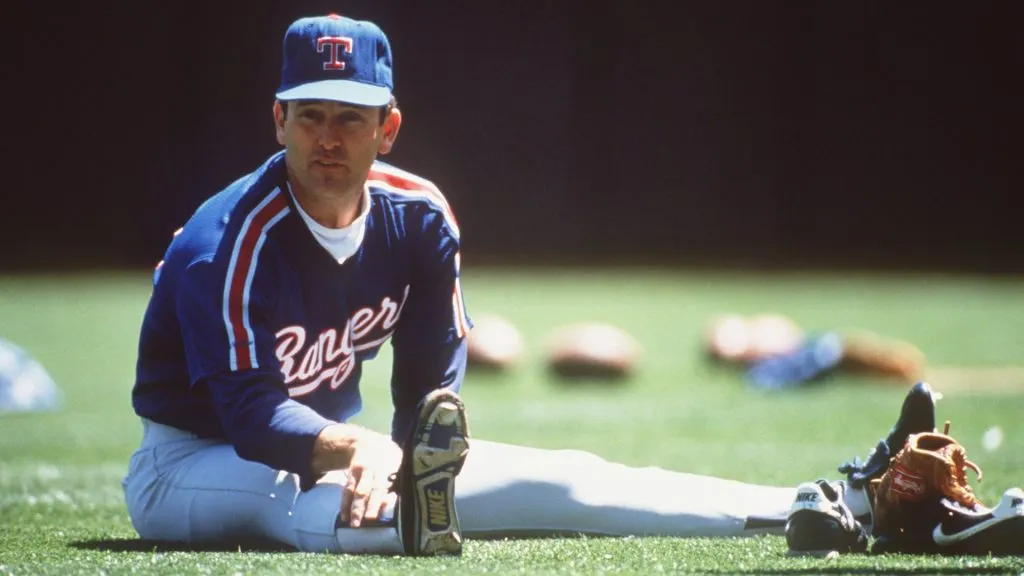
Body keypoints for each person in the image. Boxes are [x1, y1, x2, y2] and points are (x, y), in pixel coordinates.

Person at [122, 13, 1018, 558]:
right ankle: (395, 521)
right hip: (193, 464)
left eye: (349, 119)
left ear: (386, 128)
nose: (327, 138)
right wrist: (364, 456)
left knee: (573, 481)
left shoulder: (419, 217)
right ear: (276, 119)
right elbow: (244, 414)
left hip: (347, 447)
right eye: (308, 115)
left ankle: (836, 505)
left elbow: (432, 380)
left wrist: (410, 454)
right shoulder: (225, 241)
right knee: (346, 521)